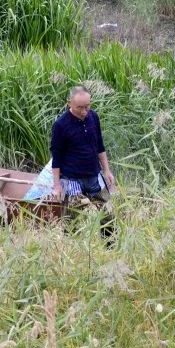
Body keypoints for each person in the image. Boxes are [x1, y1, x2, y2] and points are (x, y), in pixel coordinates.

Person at [50, 85, 116, 245]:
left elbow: (100, 146)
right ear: (69, 103)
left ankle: (111, 249)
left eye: (87, 106)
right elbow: (56, 158)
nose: (84, 111)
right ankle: (71, 252)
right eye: (80, 107)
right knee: (72, 221)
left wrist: (107, 171)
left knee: (108, 215)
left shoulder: (94, 117)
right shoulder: (60, 125)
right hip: (72, 179)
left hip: (93, 176)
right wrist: (57, 185)